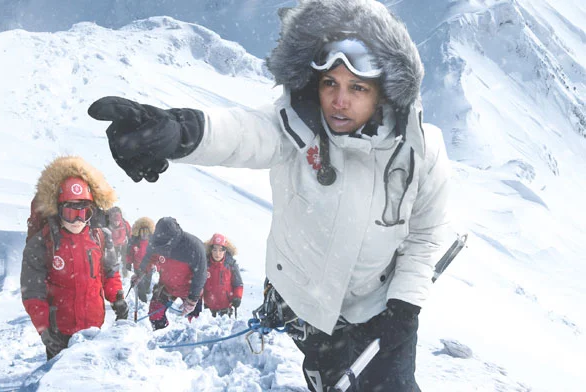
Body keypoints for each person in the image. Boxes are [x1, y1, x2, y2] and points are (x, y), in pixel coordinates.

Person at [88, 0, 452, 389]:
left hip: (384, 309)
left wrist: (405, 305)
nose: (339, 101)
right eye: (330, 83)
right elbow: (243, 133)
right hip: (313, 312)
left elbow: (424, 237)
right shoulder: (296, 129)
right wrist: (179, 132)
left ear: (382, 93)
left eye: (357, 88)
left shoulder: (421, 151)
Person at [21, 156, 129, 360]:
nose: (78, 220)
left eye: (84, 212)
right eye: (71, 213)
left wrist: (117, 299)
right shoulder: (43, 242)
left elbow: (109, 272)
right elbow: (33, 292)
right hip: (59, 331)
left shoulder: (100, 237)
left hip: (94, 327)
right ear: (58, 210)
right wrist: (44, 330)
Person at [133, 217, 207, 330]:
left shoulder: (194, 247)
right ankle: (160, 335)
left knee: (195, 323)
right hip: (166, 286)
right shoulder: (155, 241)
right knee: (155, 313)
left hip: (189, 289)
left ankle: (192, 340)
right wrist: (140, 273)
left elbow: (200, 275)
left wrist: (192, 299)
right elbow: (149, 258)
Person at [202, 233, 243, 317]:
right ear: (211, 250)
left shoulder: (231, 264)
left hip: (226, 308)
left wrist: (237, 297)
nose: (218, 253)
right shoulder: (204, 264)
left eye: (221, 250)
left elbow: (238, 284)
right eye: (215, 249)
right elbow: (198, 284)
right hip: (207, 310)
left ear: (225, 251)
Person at [107, 206, 132, 275]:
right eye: (115, 221)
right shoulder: (108, 225)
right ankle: (113, 274)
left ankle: (125, 272)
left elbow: (130, 233)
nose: (116, 223)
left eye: (118, 221)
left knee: (125, 258)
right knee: (113, 260)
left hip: (124, 244)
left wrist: (131, 242)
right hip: (113, 245)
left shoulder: (124, 223)